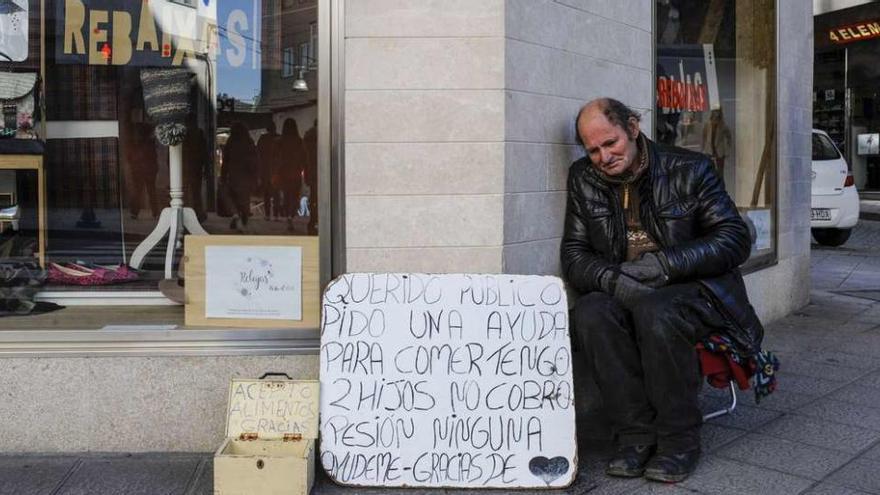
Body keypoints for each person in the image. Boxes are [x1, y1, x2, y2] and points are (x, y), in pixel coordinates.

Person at [561, 98, 764, 483]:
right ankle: (634, 434)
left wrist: (667, 263)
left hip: (695, 289)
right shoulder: (583, 177)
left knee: (657, 310)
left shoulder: (690, 167)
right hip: (627, 284)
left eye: (611, 143)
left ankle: (678, 440)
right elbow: (574, 255)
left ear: (633, 128)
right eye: (594, 150)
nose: (604, 157)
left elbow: (734, 239)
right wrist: (613, 280)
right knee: (591, 313)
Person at [221, 122, 257, 231]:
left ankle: (235, 214)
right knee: (244, 199)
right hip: (246, 175)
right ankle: (243, 218)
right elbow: (256, 160)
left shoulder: (230, 142)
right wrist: (256, 175)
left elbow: (225, 160)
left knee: (231, 196)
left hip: (233, 174)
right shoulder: (249, 142)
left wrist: (223, 175)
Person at [256, 121, 279, 220]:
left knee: (267, 194)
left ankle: (267, 214)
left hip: (265, 169)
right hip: (276, 170)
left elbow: (258, 154)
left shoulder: (262, 139)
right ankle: (276, 215)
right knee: (276, 193)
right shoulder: (279, 138)